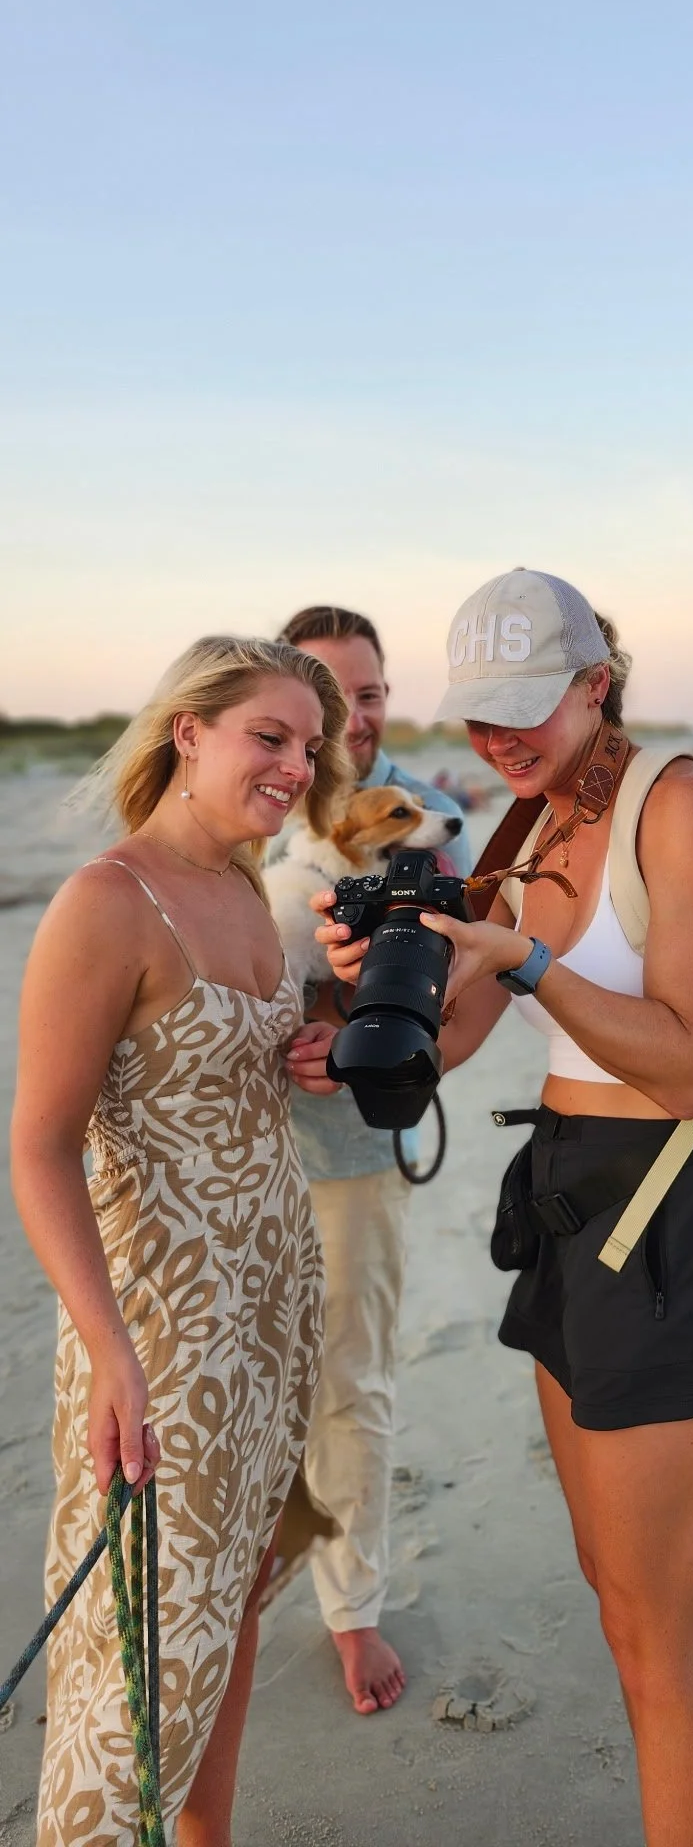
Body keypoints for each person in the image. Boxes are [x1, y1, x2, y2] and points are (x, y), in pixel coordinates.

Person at [308, 569, 693, 1847]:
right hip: (571, 1197)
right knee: (612, 1593)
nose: (500, 740)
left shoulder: (682, 808)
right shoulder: (524, 825)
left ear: (599, 681)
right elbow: (459, 1040)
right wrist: (382, 987)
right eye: (478, 716)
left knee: (662, 1630)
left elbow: (691, 1057)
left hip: (684, 1206)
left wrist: (519, 953)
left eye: (528, 707)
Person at [10, 636, 350, 1847]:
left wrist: (303, 1054)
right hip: (161, 1334)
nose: (295, 765)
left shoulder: (248, 886)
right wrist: (108, 1352)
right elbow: (39, 1144)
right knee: (144, 1642)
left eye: (309, 746)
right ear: (186, 732)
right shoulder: (109, 900)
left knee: (234, 1595)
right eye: (270, 735)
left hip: (270, 1309)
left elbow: (216, 1081)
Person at [273, 603, 472, 1716]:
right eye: (330, 691)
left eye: (373, 690)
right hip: (232, 1150)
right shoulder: (253, 795)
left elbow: (463, 982)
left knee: (351, 1380)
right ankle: (257, 1551)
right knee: (248, 1381)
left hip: (350, 1144)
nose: (356, 712)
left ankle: (351, 1606)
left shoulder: (427, 814)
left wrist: (348, 1012)